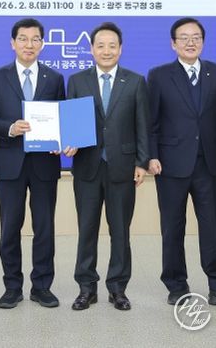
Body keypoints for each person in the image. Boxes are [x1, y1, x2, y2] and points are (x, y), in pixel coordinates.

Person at [0, 18, 66, 309]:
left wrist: (61, 139)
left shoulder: (55, 79)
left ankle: (42, 287)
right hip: (10, 163)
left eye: (35, 39)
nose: (29, 44)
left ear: (42, 43)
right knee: (9, 228)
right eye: (23, 38)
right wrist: (9, 128)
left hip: (45, 164)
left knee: (44, 228)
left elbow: (62, 118)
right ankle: (12, 287)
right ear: (12, 43)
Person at [66, 22, 150, 311]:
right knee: (86, 230)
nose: (106, 51)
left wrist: (142, 162)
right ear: (91, 49)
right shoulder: (77, 81)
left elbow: (143, 125)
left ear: (120, 49)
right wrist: (68, 140)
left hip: (123, 167)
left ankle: (118, 289)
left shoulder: (135, 81)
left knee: (120, 232)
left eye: (112, 45)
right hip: (87, 166)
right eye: (100, 45)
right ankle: (86, 288)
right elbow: (70, 122)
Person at [147, 17, 216, 306]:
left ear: (203, 42)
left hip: (206, 163)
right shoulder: (159, 75)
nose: (190, 42)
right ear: (173, 44)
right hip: (170, 164)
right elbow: (151, 121)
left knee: (212, 226)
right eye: (184, 37)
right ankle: (176, 285)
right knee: (173, 227)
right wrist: (152, 155)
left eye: (196, 37)